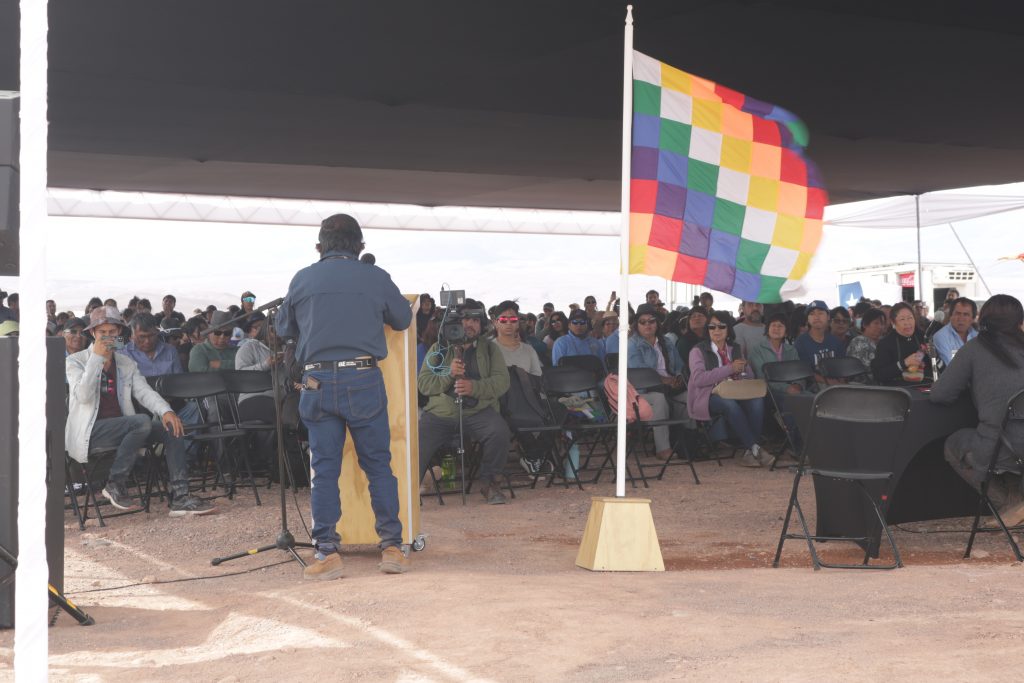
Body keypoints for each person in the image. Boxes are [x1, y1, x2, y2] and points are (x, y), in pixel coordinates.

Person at [276, 213, 413, 579]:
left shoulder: (303, 278)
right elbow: (402, 320)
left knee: (324, 470)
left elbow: (282, 327)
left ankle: (327, 553)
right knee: (378, 466)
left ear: (319, 247)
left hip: (317, 381)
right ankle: (393, 548)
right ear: (361, 247)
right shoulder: (375, 277)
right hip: (363, 378)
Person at [65, 306, 215, 516]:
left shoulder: (125, 362)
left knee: (172, 426)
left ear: (119, 333)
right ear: (92, 334)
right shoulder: (75, 361)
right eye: (102, 333)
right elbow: (83, 396)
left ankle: (180, 497)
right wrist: (96, 359)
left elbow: (144, 391)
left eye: (112, 332)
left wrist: (166, 412)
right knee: (141, 421)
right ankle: (115, 483)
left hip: (126, 430)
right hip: (91, 432)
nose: (108, 337)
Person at [930, 294, 1024, 526]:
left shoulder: (975, 348)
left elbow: (941, 394)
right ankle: (1017, 503)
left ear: (983, 319)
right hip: (1017, 448)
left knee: (953, 445)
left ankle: (1007, 504)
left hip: (1001, 448)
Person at [417, 301, 511, 505]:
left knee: (499, 432)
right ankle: (406, 490)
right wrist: (448, 375)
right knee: (417, 442)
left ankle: (491, 484)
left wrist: (474, 388)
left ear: (482, 324)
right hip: (440, 414)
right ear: (456, 322)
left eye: (475, 320)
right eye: (466, 319)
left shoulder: (491, 349)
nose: (470, 324)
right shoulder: (439, 349)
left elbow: (502, 381)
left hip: (478, 411)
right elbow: (424, 385)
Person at [687, 311, 769, 468]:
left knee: (757, 400)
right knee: (728, 404)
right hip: (707, 395)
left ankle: (750, 450)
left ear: (728, 329)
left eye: (721, 326)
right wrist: (730, 368)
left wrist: (744, 369)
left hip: (735, 390)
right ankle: (755, 447)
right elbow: (699, 379)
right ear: (707, 330)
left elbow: (748, 376)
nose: (716, 330)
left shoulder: (735, 348)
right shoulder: (697, 351)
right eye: (712, 327)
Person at [628, 303, 690, 459]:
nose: (648, 325)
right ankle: (663, 448)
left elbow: (680, 366)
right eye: (643, 322)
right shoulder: (632, 345)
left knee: (690, 396)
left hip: (669, 387)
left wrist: (677, 378)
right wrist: (666, 381)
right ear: (637, 325)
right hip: (642, 391)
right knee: (659, 399)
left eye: (652, 321)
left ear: (657, 323)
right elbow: (640, 374)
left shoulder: (666, 342)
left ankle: (688, 442)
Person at [749, 311, 804, 452]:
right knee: (789, 403)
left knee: (814, 400)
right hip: (768, 392)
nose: (776, 328)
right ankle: (798, 447)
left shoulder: (791, 350)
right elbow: (762, 378)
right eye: (773, 325)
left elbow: (800, 373)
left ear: (786, 331)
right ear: (767, 329)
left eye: (781, 326)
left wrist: (798, 385)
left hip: (793, 391)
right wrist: (787, 389)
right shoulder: (757, 350)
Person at [871, 302, 932, 385]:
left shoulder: (922, 337)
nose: (907, 323)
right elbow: (879, 375)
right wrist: (904, 363)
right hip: (899, 391)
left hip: (924, 385)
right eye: (902, 319)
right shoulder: (885, 344)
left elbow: (936, 369)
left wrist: (931, 356)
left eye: (910, 318)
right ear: (893, 323)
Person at [793, 300, 845, 373]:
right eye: (812, 314)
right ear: (807, 319)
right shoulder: (800, 343)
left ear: (828, 317)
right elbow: (805, 371)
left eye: (820, 313)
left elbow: (842, 367)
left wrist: (841, 382)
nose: (816, 317)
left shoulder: (835, 341)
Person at [932, 297, 978, 366]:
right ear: (950, 316)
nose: (961, 318)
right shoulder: (941, 337)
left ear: (973, 319)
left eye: (966, 314)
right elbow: (951, 367)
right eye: (957, 313)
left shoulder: (978, 336)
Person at [846, 308, 886, 374]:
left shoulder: (883, 342)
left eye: (882, 323)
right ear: (865, 324)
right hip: (862, 383)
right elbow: (864, 370)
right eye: (876, 323)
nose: (880, 327)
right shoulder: (858, 342)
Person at [676, 305, 708, 376]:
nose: (696, 318)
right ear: (689, 322)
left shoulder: (712, 339)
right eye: (693, 316)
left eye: (700, 315)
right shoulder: (684, 342)